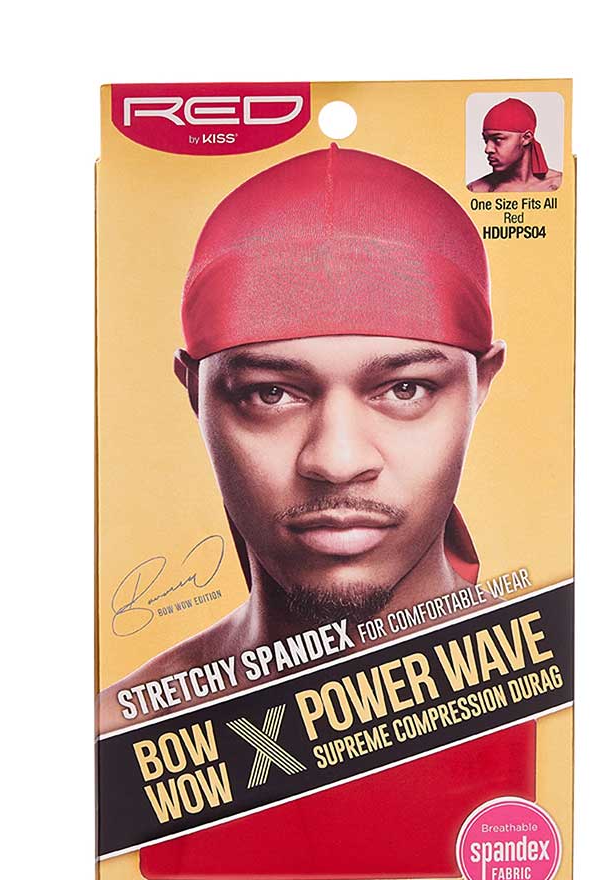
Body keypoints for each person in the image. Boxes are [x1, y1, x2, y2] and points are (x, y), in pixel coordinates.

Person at [99, 145, 507, 732]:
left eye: (405, 389)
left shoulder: (567, 704)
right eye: (271, 394)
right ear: (195, 392)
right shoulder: (118, 739)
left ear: (480, 383)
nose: (337, 461)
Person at [467, 97, 563, 193]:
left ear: (526, 138)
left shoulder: (560, 185)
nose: (488, 149)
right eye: (486, 140)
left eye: (497, 139)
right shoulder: (476, 190)